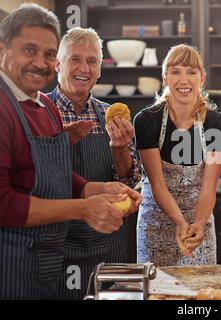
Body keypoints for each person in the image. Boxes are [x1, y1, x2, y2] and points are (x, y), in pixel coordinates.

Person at [0, 4, 141, 299]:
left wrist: (98, 188)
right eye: (29, 50)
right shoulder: (5, 108)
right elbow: (4, 203)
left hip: (53, 257)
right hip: (16, 260)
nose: (40, 62)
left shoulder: (43, 106)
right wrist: (84, 207)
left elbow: (59, 175)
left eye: (47, 54)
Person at [47, 27, 141, 300]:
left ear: (99, 69)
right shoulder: (41, 113)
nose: (83, 68)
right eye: (75, 59)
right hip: (57, 243)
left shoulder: (109, 115)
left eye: (92, 61)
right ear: (58, 64)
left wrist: (119, 148)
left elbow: (127, 181)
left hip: (107, 241)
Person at [134, 44, 221, 266]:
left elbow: (208, 186)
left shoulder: (216, 124)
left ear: (201, 78)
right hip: (155, 223)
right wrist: (178, 221)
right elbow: (157, 183)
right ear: (165, 77)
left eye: (191, 72)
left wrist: (199, 223)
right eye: (175, 71)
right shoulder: (147, 121)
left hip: (199, 224)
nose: (183, 80)